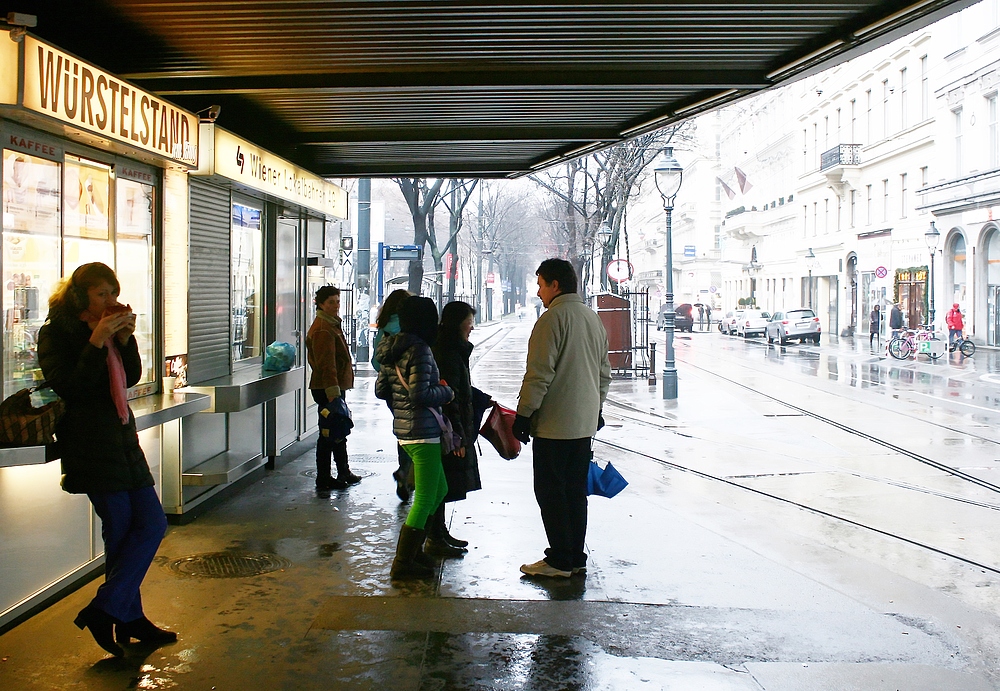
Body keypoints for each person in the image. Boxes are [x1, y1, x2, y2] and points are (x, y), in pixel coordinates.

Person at [37, 262, 175, 657]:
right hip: (90, 444)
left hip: (122, 437)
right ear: (81, 297)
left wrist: (126, 339)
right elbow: (70, 386)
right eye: (102, 295)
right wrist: (96, 341)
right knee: (120, 529)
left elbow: (130, 378)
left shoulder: (111, 328)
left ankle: (111, 610)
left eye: (113, 294)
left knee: (151, 523)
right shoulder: (56, 333)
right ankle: (122, 614)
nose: (110, 302)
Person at [512, 259, 611, 578]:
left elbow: (538, 375)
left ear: (555, 285)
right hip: (583, 426)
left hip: (554, 426)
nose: (538, 291)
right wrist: (595, 409)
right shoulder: (592, 319)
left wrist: (523, 415)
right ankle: (575, 556)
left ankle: (558, 560)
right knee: (574, 493)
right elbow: (604, 375)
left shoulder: (550, 320)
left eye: (541, 283)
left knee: (551, 492)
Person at [375, 296, 454, 580]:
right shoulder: (420, 350)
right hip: (422, 432)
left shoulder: (391, 347)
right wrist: (446, 391)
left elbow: (381, 389)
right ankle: (403, 562)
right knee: (424, 497)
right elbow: (420, 394)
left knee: (439, 490)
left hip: (406, 430)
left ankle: (415, 551)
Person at [430, 301, 493, 554]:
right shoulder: (448, 351)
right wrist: (456, 436)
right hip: (447, 431)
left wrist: (479, 397)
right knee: (440, 485)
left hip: (451, 429)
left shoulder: (453, 349)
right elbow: (449, 396)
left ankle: (439, 533)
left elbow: (458, 388)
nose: (472, 327)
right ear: (459, 323)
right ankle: (434, 538)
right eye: (469, 321)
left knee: (443, 485)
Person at [306, 286, 360, 491]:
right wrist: (333, 393)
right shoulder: (322, 329)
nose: (336, 306)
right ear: (320, 304)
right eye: (331, 302)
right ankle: (324, 477)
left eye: (337, 301)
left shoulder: (330, 325)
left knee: (338, 430)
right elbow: (326, 364)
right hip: (327, 388)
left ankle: (343, 472)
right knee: (329, 433)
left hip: (333, 387)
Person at [371, 289, 414, 502]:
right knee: (416, 431)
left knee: (402, 431)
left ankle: (405, 471)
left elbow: (375, 361)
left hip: (390, 391)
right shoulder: (412, 328)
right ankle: (407, 472)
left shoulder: (384, 328)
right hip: (411, 388)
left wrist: (389, 373)